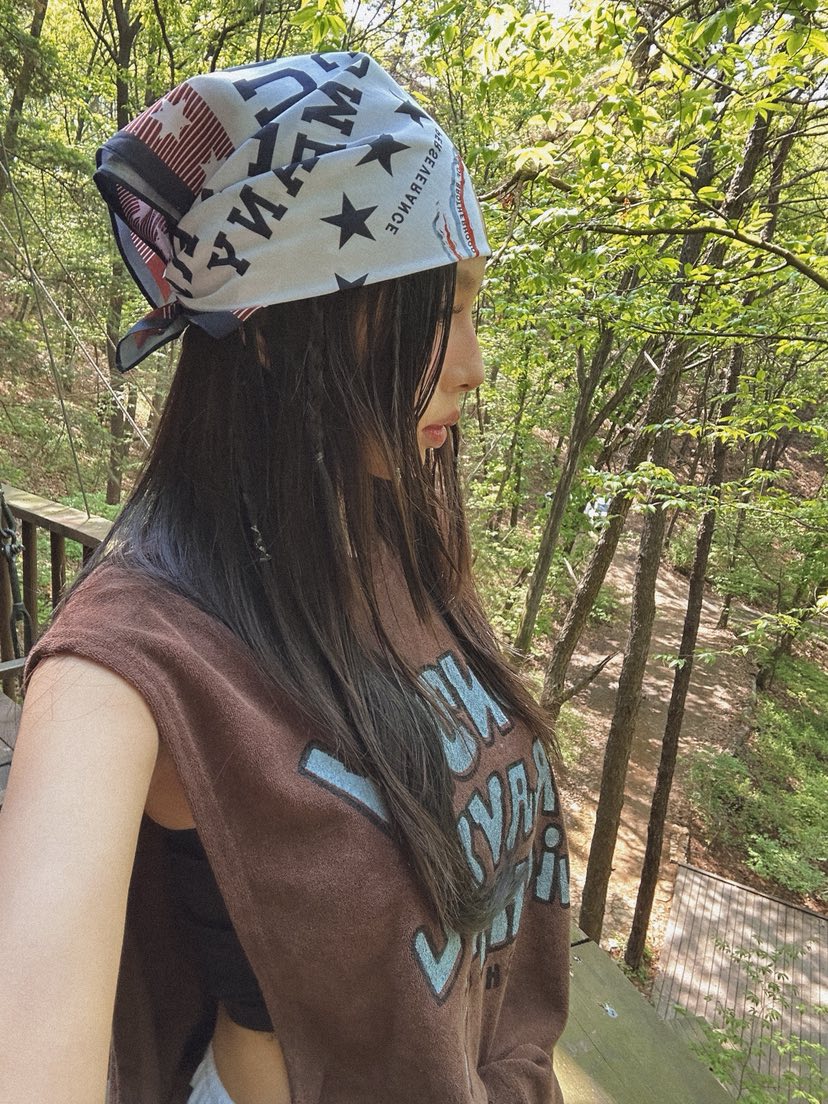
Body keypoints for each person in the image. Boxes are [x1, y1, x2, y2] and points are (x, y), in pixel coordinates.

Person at [0, 51, 570, 1104]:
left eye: (475, 309)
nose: (475, 366)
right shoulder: (122, 665)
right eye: (439, 311)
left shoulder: (394, 534)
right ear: (279, 330)